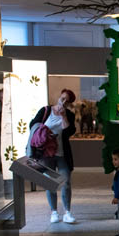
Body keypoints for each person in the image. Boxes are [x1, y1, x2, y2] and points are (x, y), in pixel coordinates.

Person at [30, 89, 77, 224]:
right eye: (63, 98)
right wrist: (45, 133)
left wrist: (63, 116)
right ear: (59, 97)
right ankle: (54, 212)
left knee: (66, 182)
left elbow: (69, 132)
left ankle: (67, 212)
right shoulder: (45, 111)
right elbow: (33, 125)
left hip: (62, 154)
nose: (63, 102)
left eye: (67, 101)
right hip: (45, 154)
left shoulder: (69, 115)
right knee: (50, 182)